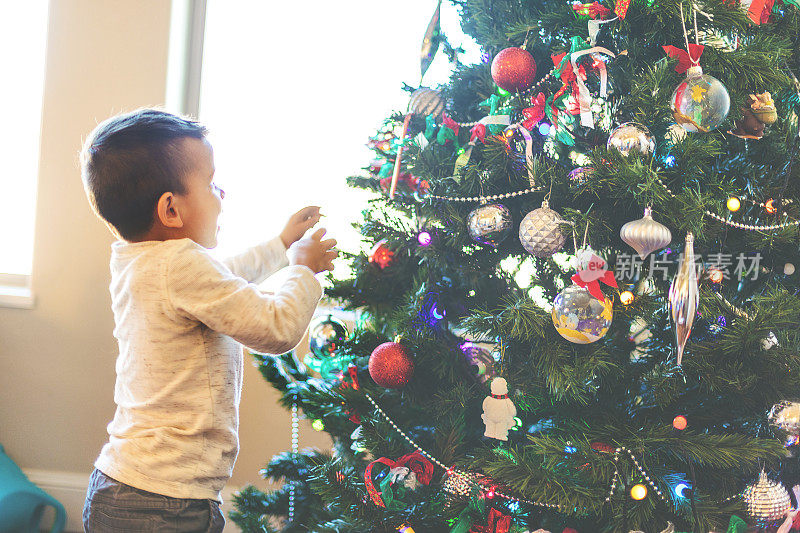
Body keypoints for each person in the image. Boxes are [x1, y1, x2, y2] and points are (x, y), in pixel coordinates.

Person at [79, 108, 336, 532]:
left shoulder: (139, 259)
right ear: (171, 210)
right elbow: (277, 328)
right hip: (164, 504)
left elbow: (223, 274)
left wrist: (280, 244)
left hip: (125, 487)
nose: (221, 192)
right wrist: (302, 271)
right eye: (211, 183)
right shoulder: (180, 266)